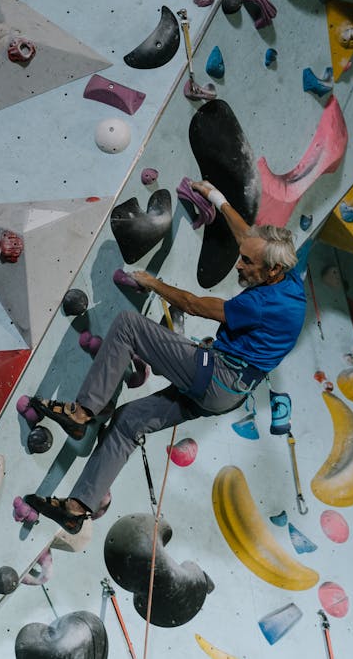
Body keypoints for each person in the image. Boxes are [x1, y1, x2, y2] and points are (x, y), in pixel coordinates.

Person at [24, 179, 306, 533]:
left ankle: (81, 412)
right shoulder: (287, 279)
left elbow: (196, 306)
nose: (238, 266)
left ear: (272, 271)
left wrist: (152, 284)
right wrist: (216, 196)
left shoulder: (263, 304)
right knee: (129, 421)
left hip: (216, 376)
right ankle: (78, 507)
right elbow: (246, 236)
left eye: (247, 263)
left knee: (128, 325)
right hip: (228, 394)